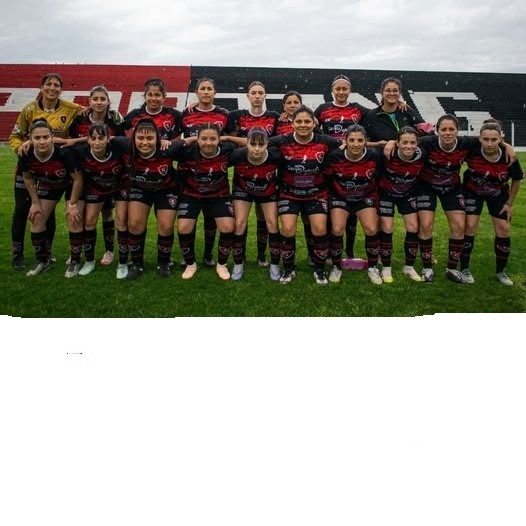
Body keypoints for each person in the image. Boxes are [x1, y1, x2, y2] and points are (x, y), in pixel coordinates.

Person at [8, 72, 83, 271]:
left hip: (56, 167)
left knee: (46, 212)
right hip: (30, 166)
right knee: (22, 209)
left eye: (56, 85)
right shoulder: (29, 109)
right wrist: (22, 148)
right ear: (41, 88)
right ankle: (17, 253)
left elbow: (94, 109)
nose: (52, 88)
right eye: (48, 84)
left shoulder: (71, 108)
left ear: (61, 89)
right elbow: (14, 136)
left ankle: (46, 253)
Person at [269, 105, 341, 285]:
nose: (303, 125)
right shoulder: (282, 140)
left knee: (319, 229)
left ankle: (319, 270)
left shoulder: (325, 141)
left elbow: (347, 143)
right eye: (299, 121)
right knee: (287, 229)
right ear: (292, 123)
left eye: (307, 121)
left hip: (316, 193)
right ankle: (288, 269)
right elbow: (259, 142)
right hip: (289, 193)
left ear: (314, 123)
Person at [113, 118, 183, 280]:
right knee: (135, 224)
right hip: (141, 189)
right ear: (133, 138)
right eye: (140, 138)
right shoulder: (125, 145)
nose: (145, 142)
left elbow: (191, 142)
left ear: (158, 138)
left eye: (150, 138)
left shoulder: (169, 148)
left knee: (166, 226)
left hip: (166, 189)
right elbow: (103, 138)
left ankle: (164, 262)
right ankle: (137, 263)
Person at [175, 123, 246, 280]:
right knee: (184, 228)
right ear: (198, 139)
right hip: (191, 195)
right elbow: (165, 147)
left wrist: (228, 138)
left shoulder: (227, 151)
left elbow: (253, 143)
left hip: (218, 196)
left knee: (228, 227)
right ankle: (190, 264)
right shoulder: (187, 152)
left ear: (219, 140)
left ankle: (221, 264)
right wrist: (189, 139)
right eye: (204, 139)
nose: (208, 143)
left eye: (213, 139)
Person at [68, 85, 126, 268]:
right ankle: (78, 251)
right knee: (84, 217)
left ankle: (109, 251)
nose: (99, 102)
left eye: (102, 99)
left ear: (108, 101)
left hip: (109, 171)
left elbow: (121, 142)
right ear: (89, 101)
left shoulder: (115, 118)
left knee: (107, 213)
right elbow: (71, 142)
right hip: (85, 172)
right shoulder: (80, 117)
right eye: (95, 99)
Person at [314, 74, 371, 260]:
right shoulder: (323, 109)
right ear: (332, 90)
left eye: (344, 88)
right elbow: (307, 123)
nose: (341, 92)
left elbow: (379, 113)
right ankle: (331, 250)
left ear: (350, 90)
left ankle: (349, 250)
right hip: (330, 163)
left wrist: (402, 105)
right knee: (333, 208)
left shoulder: (357, 108)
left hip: (352, 162)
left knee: (351, 210)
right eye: (337, 88)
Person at [459, 120, 523, 285]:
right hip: (472, 192)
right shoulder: (472, 148)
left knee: (504, 229)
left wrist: (509, 203)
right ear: (479, 138)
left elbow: (517, 180)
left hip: (498, 193)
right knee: (470, 226)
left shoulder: (509, 156)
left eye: (494, 139)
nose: (489, 143)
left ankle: (501, 272)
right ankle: (464, 269)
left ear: (500, 139)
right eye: (485, 139)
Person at [19, 119, 83, 277]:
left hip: (70, 184)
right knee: (36, 217)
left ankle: (75, 261)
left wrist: (72, 204)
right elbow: (27, 177)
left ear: (52, 137)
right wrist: (35, 202)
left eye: (45, 137)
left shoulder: (64, 153)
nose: (42, 141)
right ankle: (43, 260)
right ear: (30, 139)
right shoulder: (25, 153)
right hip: (50, 185)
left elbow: (78, 179)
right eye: (37, 138)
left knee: (73, 217)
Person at [228, 81, 281, 268]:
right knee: (240, 221)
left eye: (260, 92)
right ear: (248, 96)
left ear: (265, 95)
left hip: (267, 176)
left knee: (264, 218)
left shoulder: (275, 117)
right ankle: (239, 258)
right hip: (243, 176)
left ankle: (261, 256)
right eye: (253, 93)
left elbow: (280, 140)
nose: (257, 96)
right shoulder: (236, 116)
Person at [180, 77, 232, 267]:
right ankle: (188, 257)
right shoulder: (186, 113)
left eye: (209, 88)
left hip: (215, 170)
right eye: (202, 88)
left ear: (215, 92)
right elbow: (177, 138)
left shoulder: (224, 114)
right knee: (189, 219)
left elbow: (232, 137)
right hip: (189, 171)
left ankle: (208, 254)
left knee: (211, 218)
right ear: (196, 92)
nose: (206, 92)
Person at [323, 124, 383, 285]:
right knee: (337, 229)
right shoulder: (335, 156)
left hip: (364, 197)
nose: (356, 144)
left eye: (360, 140)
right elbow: (327, 178)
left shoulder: (374, 155)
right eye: (352, 140)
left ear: (365, 141)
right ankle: (336, 266)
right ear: (346, 141)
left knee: (371, 229)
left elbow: (378, 176)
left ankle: (372, 268)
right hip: (340, 197)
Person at [73, 123, 129, 279]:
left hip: (119, 186)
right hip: (95, 188)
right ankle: (89, 261)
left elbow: (135, 141)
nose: (97, 142)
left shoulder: (118, 148)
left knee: (121, 220)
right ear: (88, 140)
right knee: (89, 221)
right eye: (93, 138)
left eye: (101, 138)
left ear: (108, 139)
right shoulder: (81, 152)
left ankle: (122, 263)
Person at [229, 127, 282, 281]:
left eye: (261, 144)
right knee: (239, 223)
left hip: (267, 190)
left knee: (272, 223)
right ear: (246, 143)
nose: (257, 149)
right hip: (243, 189)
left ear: (267, 144)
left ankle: (274, 264)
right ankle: (238, 263)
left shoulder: (276, 156)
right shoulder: (237, 155)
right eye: (253, 144)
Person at [378, 127, 426, 283]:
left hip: (407, 194)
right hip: (386, 193)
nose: (409, 146)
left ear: (417, 144)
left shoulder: (422, 154)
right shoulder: (388, 153)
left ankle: (409, 267)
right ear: (397, 143)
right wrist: (390, 142)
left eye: (412, 143)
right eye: (404, 142)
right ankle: (386, 268)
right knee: (387, 227)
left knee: (413, 227)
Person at [362, 77, 426, 147]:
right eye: (388, 90)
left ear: (400, 93)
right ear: (382, 93)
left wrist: (395, 143)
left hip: (408, 153)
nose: (392, 93)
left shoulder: (407, 111)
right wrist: (377, 144)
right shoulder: (372, 116)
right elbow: (362, 142)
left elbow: (427, 134)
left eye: (395, 91)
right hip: (382, 153)